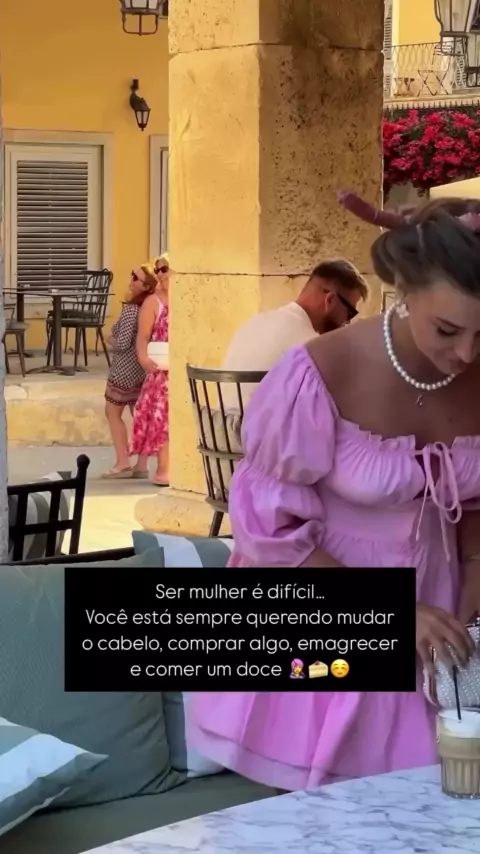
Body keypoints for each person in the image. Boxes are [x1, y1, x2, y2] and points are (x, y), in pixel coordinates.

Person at [187, 195, 480, 791]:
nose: (467, 354)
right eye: (447, 330)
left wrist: (470, 616)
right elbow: (269, 532)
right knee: (325, 812)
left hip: (445, 611)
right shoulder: (320, 372)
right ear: (404, 290)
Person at [221, 259, 367, 406]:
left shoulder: (254, 322)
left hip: (222, 419)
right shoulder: (308, 344)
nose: (347, 322)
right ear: (330, 300)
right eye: (350, 313)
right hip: (267, 421)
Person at [102, 265, 158, 479]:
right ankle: (142, 464)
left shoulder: (131, 309)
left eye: (135, 278)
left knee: (112, 412)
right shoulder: (150, 307)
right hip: (142, 370)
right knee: (140, 415)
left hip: (124, 370)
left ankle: (122, 461)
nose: (131, 280)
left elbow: (123, 342)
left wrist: (109, 338)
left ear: (146, 286)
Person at [129, 258, 170, 486]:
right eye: (157, 270)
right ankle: (164, 469)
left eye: (165, 268)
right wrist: (143, 358)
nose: (160, 273)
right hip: (161, 370)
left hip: (181, 369)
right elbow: (142, 336)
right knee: (162, 418)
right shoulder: (153, 302)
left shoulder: (187, 298)